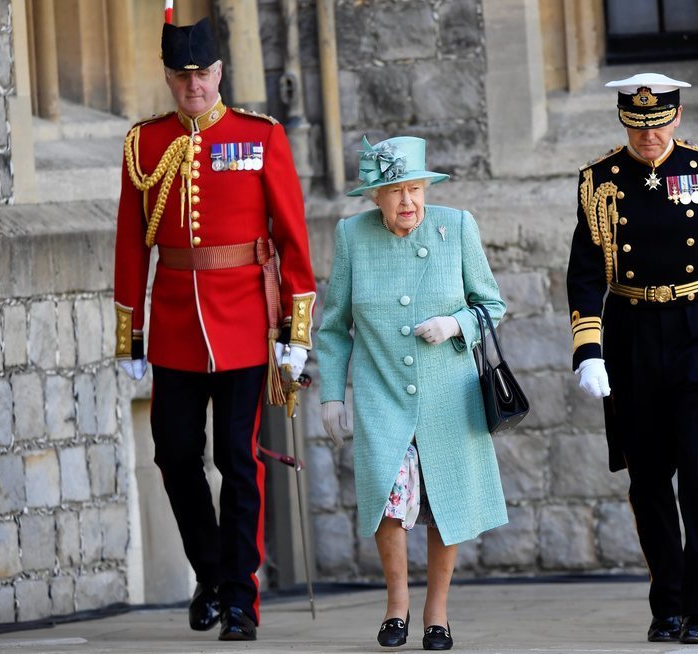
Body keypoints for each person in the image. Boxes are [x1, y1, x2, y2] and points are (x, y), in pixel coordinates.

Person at [112, 17, 315, 641]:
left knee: (236, 458)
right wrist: (131, 334)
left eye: (201, 74)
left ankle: (241, 599)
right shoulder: (145, 145)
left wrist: (295, 328)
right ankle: (210, 573)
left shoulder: (259, 136)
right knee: (174, 453)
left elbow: (290, 236)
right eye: (181, 75)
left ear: (219, 73)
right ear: (169, 77)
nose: (192, 86)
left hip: (245, 324)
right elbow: (129, 242)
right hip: (174, 324)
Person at [566, 73, 698, 645]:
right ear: (624, 121)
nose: (648, 137)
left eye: (658, 125)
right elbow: (584, 275)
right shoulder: (598, 181)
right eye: (636, 126)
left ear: (677, 118)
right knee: (648, 476)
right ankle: (667, 604)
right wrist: (589, 350)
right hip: (631, 334)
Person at [316, 136, 508, 651]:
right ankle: (396, 606)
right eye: (395, 191)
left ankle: (437, 613)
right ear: (374, 197)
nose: (408, 202)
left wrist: (455, 323)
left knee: (445, 500)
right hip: (383, 395)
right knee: (388, 500)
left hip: (450, 393)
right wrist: (332, 394)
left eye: (415, 188)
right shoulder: (353, 237)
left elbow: (492, 303)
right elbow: (334, 327)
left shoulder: (458, 226)